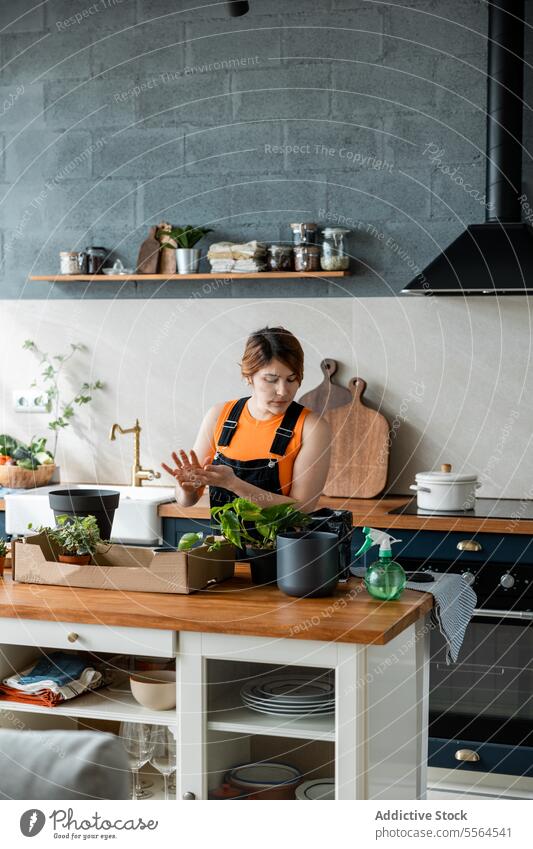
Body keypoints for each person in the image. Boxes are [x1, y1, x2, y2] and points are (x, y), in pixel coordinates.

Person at [162, 326, 331, 514]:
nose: (283, 391)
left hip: (285, 544)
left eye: (291, 379)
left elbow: (302, 508)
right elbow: (186, 500)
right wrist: (188, 489)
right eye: (271, 379)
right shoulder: (219, 416)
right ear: (249, 377)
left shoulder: (311, 427)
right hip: (223, 543)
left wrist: (233, 484)